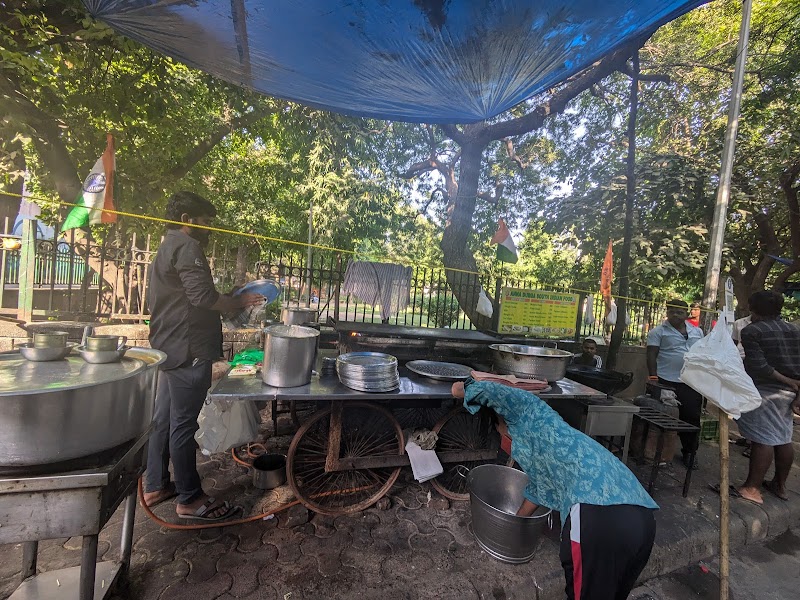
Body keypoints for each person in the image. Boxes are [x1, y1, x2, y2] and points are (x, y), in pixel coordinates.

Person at [452, 379, 658, 600]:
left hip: (597, 517)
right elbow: (539, 491)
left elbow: (489, 390)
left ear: (501, 421)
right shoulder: (548, 441)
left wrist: (459, 389)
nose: (503, 439)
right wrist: (513, 523)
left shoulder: (527, 409)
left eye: (499, 432)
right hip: (642, 518)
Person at [143, 191, 263, 521]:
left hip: (168, 345)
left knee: (163, 419)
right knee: (183, 424)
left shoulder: (167, 243)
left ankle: (155, 484)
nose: (209, 229)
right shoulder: (186, 245)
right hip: (189, 347)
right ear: (187, 221)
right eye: (206, 223)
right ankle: (190, 499)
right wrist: (241, 300)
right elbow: (202, 296)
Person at [734, 291, 800, 504]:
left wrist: (787, 381)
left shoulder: (752, 331)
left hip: (765, 392)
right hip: (789, 394)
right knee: (783, 438)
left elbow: (759, 367)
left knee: (763, 440)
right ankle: (779, 486)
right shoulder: (794, 330)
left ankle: (752, 488)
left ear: (753, 310)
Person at [646, 299, 704, 469]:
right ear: (667, 313)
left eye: (679, 312)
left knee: (691, 417)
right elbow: (651, 355)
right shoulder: (658, 332)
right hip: (665, 381)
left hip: (690, 382)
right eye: (672, 311)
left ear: (687, 313)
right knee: (664, 416)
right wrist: (653, 378)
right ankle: (659, 452)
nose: (676, 315)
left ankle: (690, 452)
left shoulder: (697, 331)